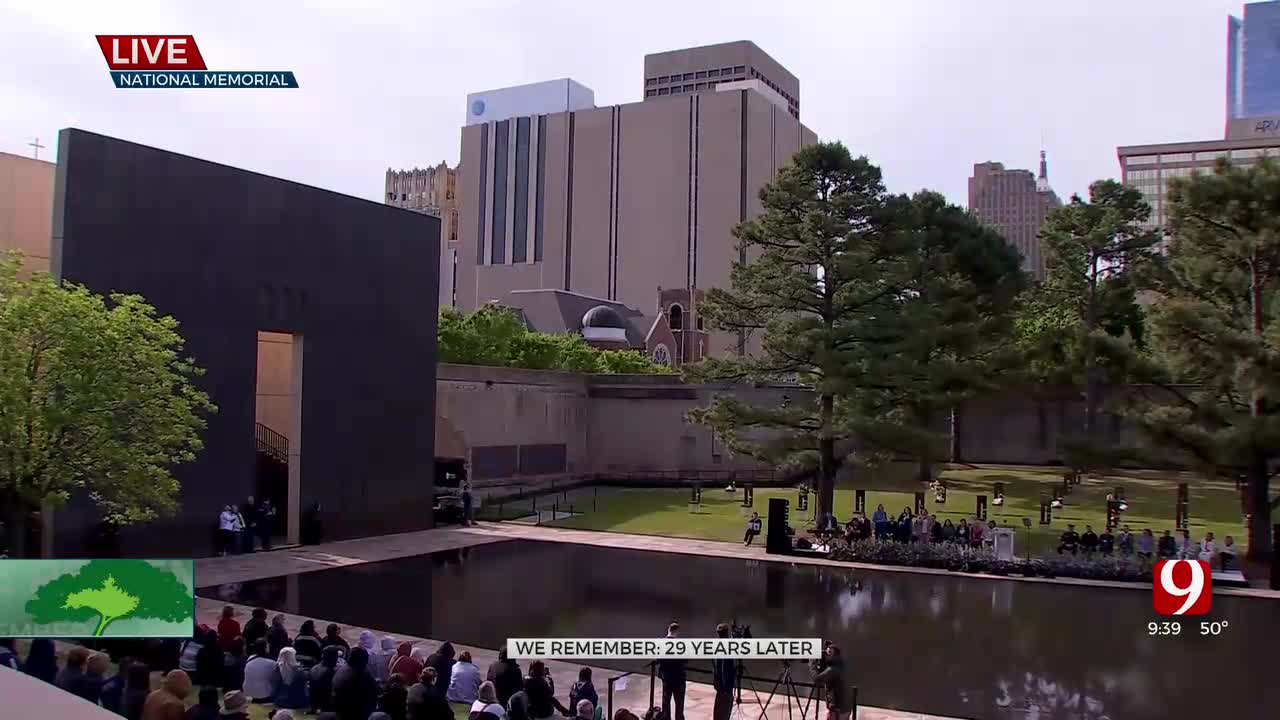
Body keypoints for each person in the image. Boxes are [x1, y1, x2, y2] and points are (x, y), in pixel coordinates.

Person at [333, 646, 379, 720]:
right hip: (354, 713)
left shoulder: (342, 669)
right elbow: (374, 694)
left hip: (340, 711)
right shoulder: (361, 674)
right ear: (363, 660)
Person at [812, 643, 852, 720]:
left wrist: (812, 664)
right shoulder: (840, 666)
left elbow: (817, 680)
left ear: (833, 655)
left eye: (828, 653)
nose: (826, 655)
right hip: (845, 708)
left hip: (838, 711)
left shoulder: (833, 669)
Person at [657, 622, 687, 720]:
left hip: (666, 678)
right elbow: (685, 660)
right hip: (678, 679)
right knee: (679, 705)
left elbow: (658, 660)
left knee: (666, 704)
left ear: (668, 630)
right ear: (676, 631)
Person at [243, 639, 280, 703]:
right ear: (265, 648)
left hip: (248, 691)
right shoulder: (272, 663)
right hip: (264, 694)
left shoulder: (250, 658)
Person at [311, 645, 345, 714]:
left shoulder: (314, 668)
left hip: (314, 704)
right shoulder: (329, 672)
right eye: (336, 657)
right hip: (325, 707)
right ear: (333, 658)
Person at [712, 624, 736, 720]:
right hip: (725, 688)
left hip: (719, 686)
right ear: (727, 633)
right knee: (724, 713)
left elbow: (716, 667)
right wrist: (726, 688)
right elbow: (723, 669)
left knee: (718, 712)